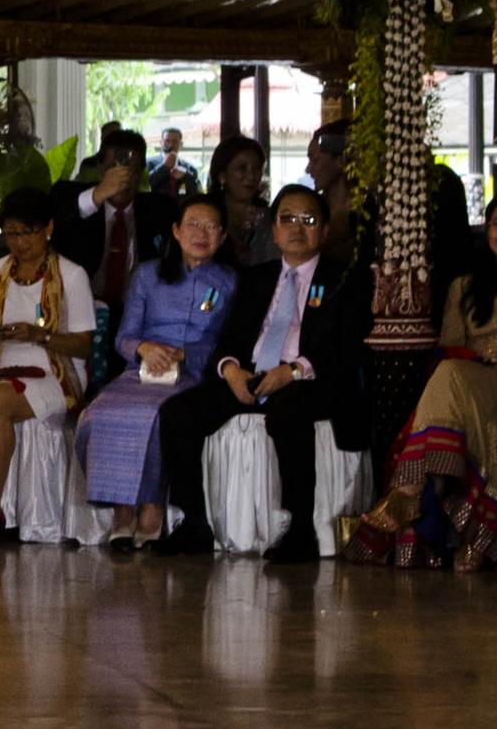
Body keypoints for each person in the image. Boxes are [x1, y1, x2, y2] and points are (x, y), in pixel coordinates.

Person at [155, 185, 372, 565]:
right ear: (273, 230)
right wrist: (232, 371)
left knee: (287, 411)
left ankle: (300, 528)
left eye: (308, 221)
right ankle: (194, 523)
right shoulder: (256, 278)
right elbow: (230, 338)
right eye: (287, 219)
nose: (296, 228)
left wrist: (292, 371)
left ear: (323, 230)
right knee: (177, 413)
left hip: (312, 380)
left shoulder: (345, 278)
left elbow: (344, 345)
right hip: (253, 376)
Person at [76, 195, 235, 551]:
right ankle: (121, 511)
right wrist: (144, 349)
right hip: (143, 371)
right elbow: (123, 336)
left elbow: (228, 343)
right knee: (104, 411)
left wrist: (185, 354)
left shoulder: (230, 282)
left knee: (156, 415)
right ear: (176, 232)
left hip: (193, 372)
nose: (201, 233)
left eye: (211, 227)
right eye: (193, 224)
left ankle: (151, 510)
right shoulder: (147, 274)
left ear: (222, 237)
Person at [0, 187, 96, 548]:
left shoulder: (70, 275)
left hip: (53, 370)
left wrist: (39, 336)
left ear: (47, 228)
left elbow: (83, 345)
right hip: (2, 364)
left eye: (27, 232)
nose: (19, 242)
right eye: (11, 233)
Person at [350, 208, 497, 568]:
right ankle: (409, 492)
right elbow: (448, 345)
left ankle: (473, 534)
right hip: (480, 379)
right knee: (448, 373)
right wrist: (482, 351)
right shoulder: (465, 286)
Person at [54, 125, 172, 325]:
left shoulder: (160, 209)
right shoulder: (70, 196)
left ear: (142, 171)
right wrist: (98, 194)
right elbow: (58, 222)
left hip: (138, 316)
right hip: (79, 314)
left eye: (131, 171)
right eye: (114, 169)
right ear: (100, 166)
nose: (123, 178)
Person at [210, 134, 276, 268]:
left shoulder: (269, 218)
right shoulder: (208, 214)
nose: (251, 176)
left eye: (257, 169)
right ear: (222, 176)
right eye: (242, 168)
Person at [303, 123, 358, 267]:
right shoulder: (312, 210)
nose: (308, 169)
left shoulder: (365, 212)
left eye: (314, 160)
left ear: (341, 160)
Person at [150, 127, 201, 200]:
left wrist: (185, 176)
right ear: (161, 143)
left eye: (175, 141)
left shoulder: (190, 168)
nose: (170, 145)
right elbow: (145, 185)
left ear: (181, 144)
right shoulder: (149, 163)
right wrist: (164, 167)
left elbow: (195, 191)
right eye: (167, 141)